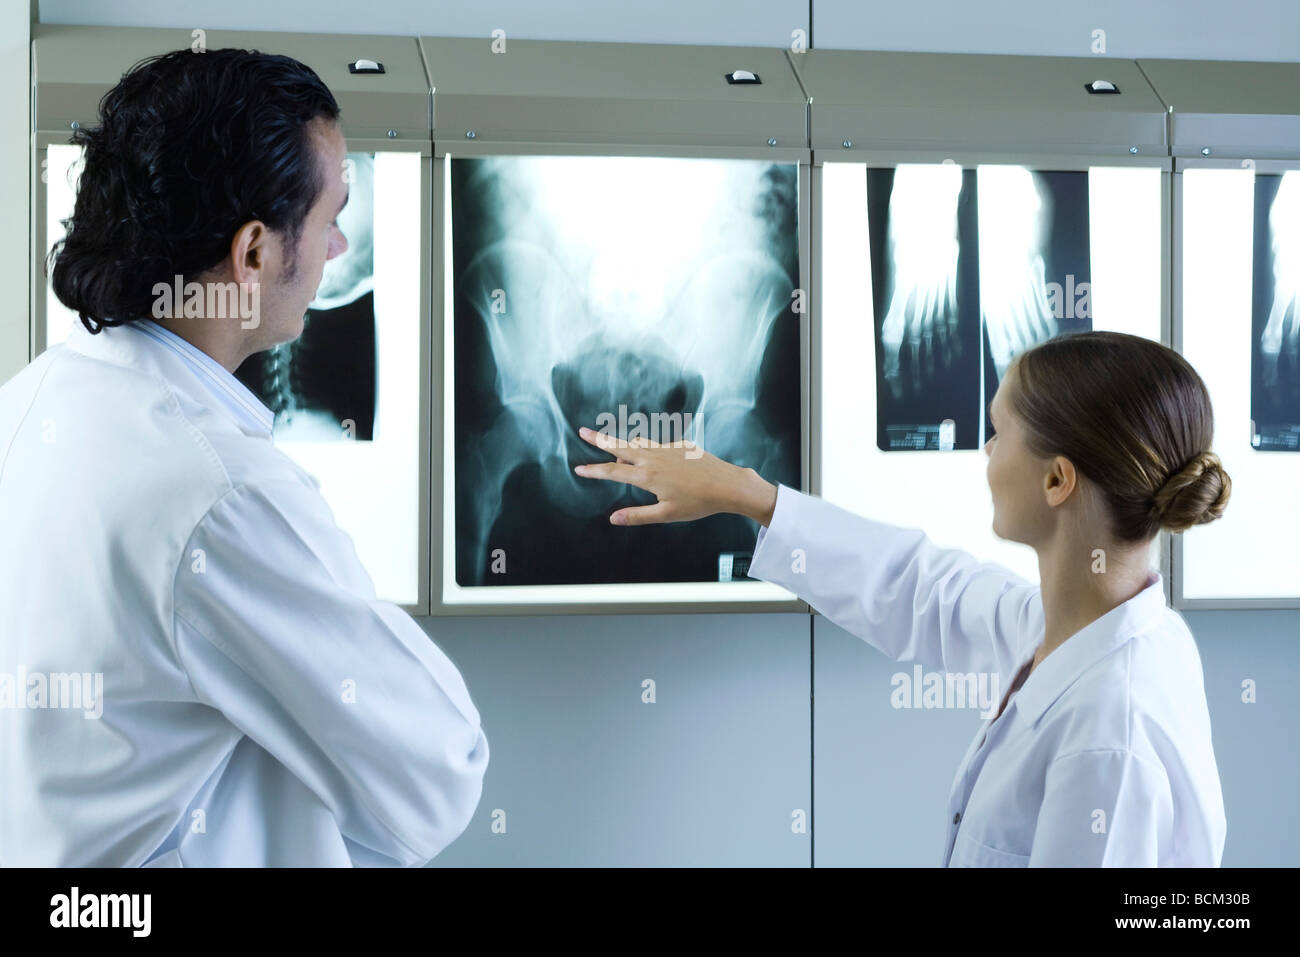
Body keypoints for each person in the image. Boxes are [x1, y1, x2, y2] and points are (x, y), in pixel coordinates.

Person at [0, 49, 487, 866]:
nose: (335, 248)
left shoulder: (28, 403)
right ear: (253, 252)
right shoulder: (223, 494)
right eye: (331, 216)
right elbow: (437, 778)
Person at [576, 330, 1230, 866]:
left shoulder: (1109, 739)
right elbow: (922, 587)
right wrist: (745, 493)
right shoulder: (1082, 630)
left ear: (1057, 479)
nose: (986, 448)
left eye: (998, 432)